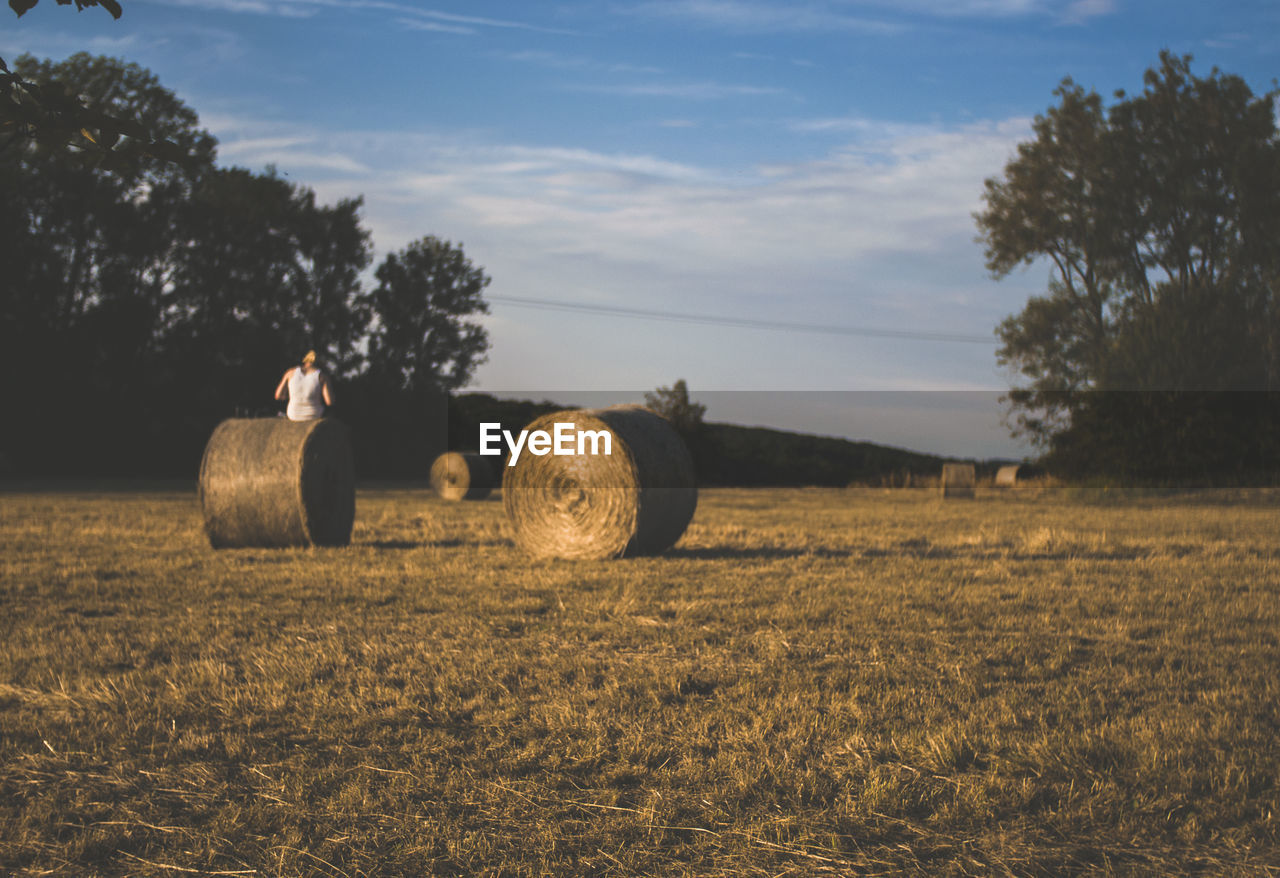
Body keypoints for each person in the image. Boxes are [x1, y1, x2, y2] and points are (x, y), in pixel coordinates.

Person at [274, 350, 333, 420]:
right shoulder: (322, 376)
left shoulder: (290, 373)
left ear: (305, 360)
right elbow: (329, 402)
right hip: (314, 415)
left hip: (293, 414)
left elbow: (278, 396)